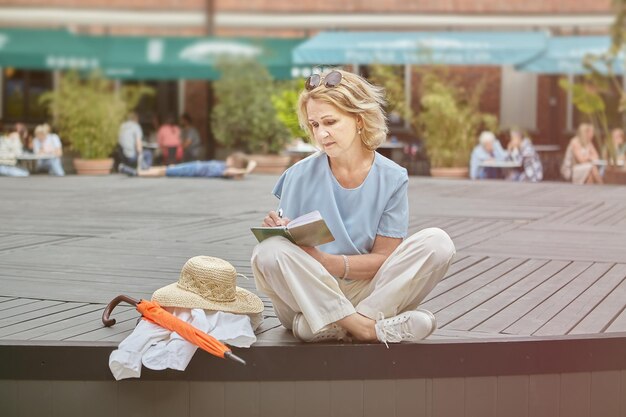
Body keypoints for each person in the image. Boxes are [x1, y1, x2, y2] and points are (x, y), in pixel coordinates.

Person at [250, 69, 456, 345]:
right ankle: (367, 329)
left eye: (330, 122)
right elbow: (288, 256)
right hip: (309, 294)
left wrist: (327, 261)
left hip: (367, 294)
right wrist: (279, 232)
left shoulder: (392, 178)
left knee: (438, 242)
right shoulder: (297, 175)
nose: (322, 134)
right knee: (267, 251)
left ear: (359, 120)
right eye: (314, 125)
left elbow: (384, 259)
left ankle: (335, 325)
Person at [119, 152, 257, 179]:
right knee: (168, 168)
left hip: (193, 170)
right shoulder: (224, 165)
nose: (228, 158)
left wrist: (244, 171)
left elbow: (248, 166)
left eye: (231, 158)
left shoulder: (228, 170)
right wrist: (246, 168)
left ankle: (138, 173)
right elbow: (253, 162)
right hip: (194, 166)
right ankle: (142, 170)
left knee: (165, 171)